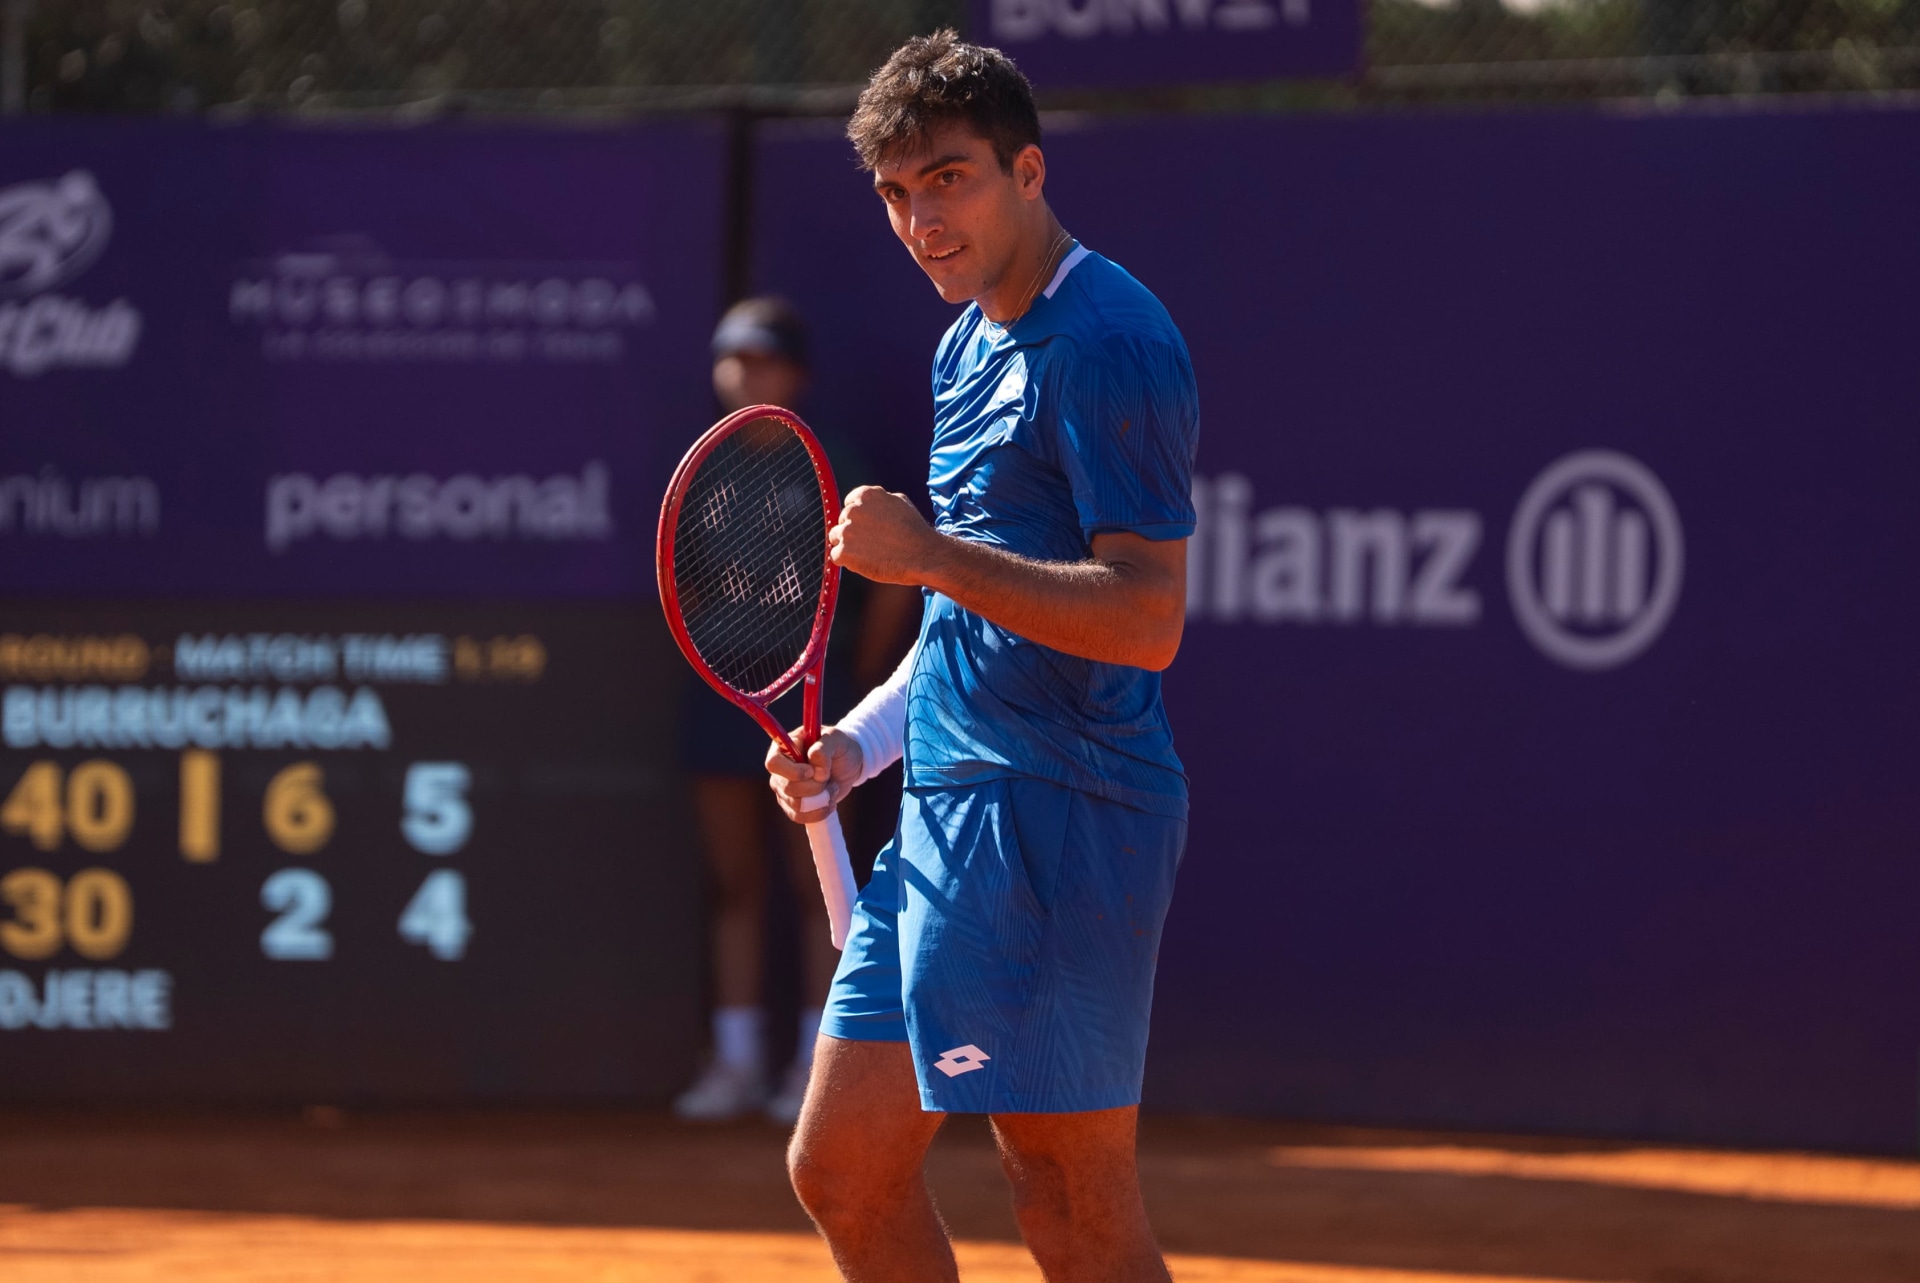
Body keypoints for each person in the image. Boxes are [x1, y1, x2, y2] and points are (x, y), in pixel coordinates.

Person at [763, 32, 1199, 1283]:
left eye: (947, 180)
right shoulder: (967, 344)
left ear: (1028, 168)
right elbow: (967, 628)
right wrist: (858, 744)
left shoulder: (1112, 339)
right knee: (841, 1165)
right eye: (896, 194)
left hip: (1065, 815)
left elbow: (1147, 615)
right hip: (950, 810)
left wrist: (936, 557)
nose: (920, 221)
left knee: (1065, 1197)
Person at [674, 297, 918, 1125]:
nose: (749, 377)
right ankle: (737, 1060)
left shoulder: (832, 466)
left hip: (818, 697)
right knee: (733, 878)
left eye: (766, 360)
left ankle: (815, 1066)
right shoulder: (704, 472)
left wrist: (858, 674)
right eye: (734, 360)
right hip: (729, 703)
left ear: (796, 374)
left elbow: (892, 576)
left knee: (820, 881)